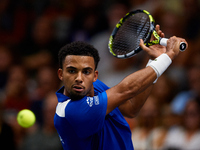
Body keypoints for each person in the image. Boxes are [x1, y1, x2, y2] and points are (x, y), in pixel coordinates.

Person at [54, 25, 187, 150]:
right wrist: (168, 56)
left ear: (95, 76)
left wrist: (154, 60)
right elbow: (126, 90)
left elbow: (131, 108)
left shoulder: (95, 87)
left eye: (86, 72)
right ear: (61, 74)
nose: (79, 78)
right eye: (72, 71)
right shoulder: (70, 110)